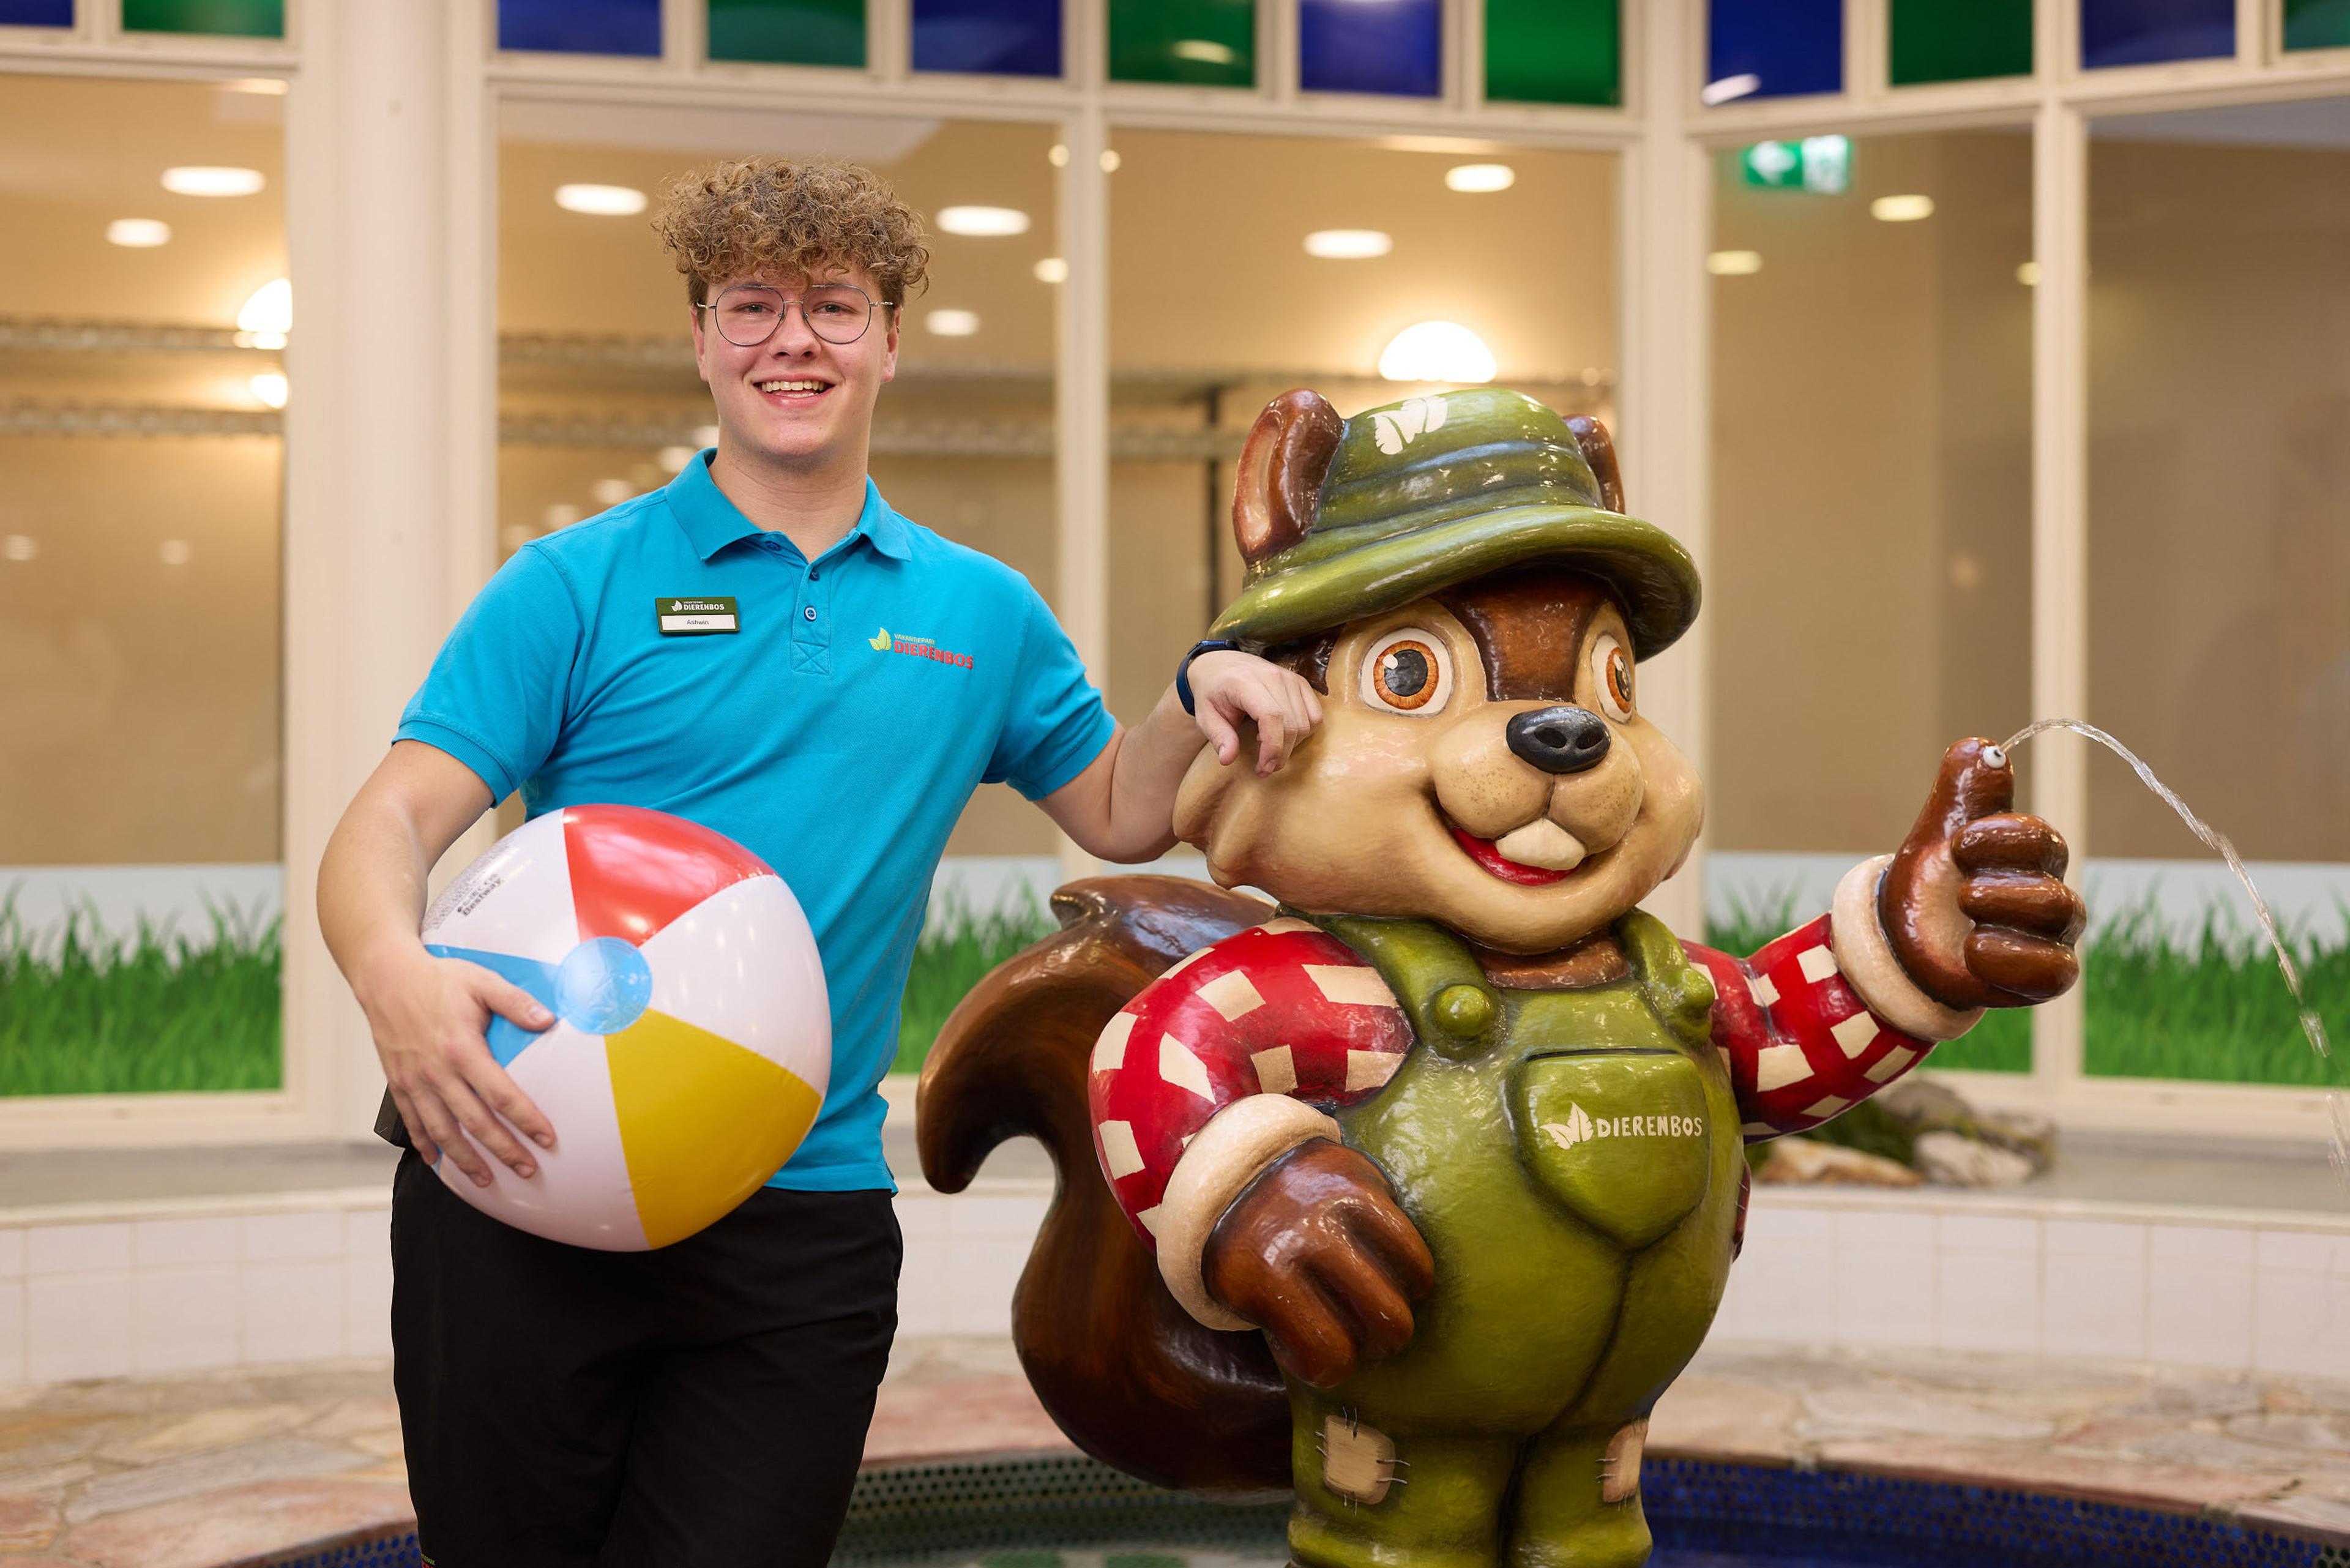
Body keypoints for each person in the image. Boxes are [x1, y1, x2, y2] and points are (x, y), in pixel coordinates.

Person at [315, 155, 1322, 1568]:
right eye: (753, 307)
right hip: (522, 1176)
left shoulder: (980, 611)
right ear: (703, 341)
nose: (794, 341)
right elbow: (384, 826)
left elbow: (1112, 806)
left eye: (837, 308)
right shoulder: (571, 583)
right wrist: (395, 984)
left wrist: (1199, 687)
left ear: (891, 344)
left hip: (802, 1214)